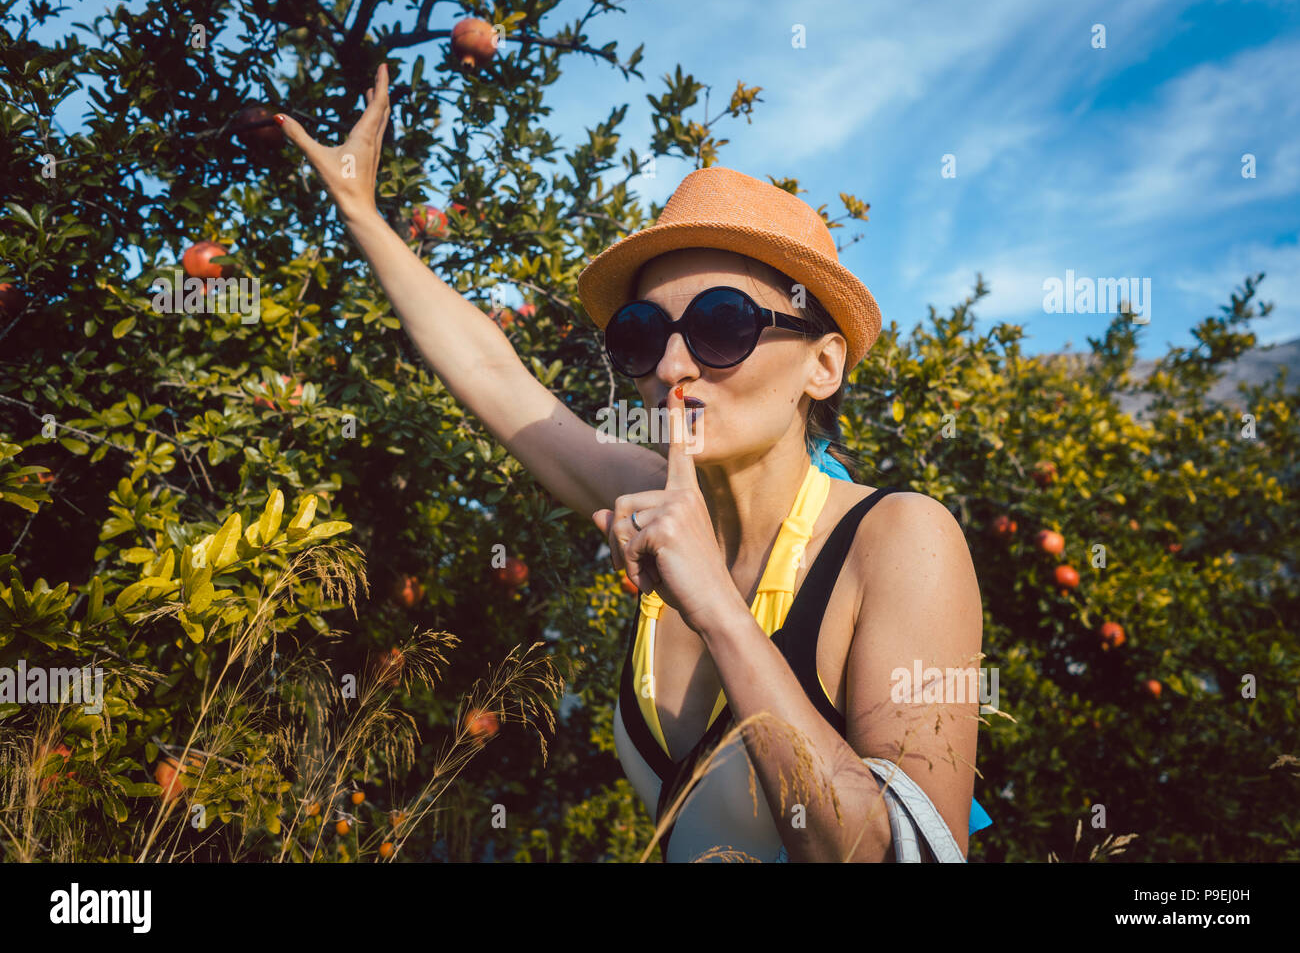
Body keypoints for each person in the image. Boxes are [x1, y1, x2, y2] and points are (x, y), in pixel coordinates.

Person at [279, 64, 990, 862]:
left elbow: (910, 856)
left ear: (822, 365)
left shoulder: (899, 539)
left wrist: (719, 608)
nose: (674, 364)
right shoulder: (649, 498)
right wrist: (360, 211)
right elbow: (495, 378)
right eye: (646, 333)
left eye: (724, 323)